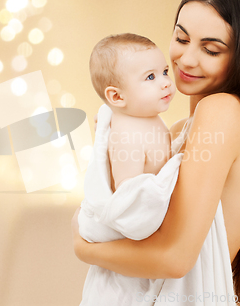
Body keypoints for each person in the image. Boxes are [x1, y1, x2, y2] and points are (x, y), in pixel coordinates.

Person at [72, 0, 240, 306]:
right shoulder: (178, 129)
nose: (186, 60)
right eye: (182, 39)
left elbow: (174, 259)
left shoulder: (222, 111)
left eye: (210, 49)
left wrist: (85, 248)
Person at [79, 33, 190, 305]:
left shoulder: (149, 119)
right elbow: (129, 203)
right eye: (150, 77)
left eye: (164, 71)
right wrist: (173, 171)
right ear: (116, 96)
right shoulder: (126, 134)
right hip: (125, 264)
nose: (166, 82)